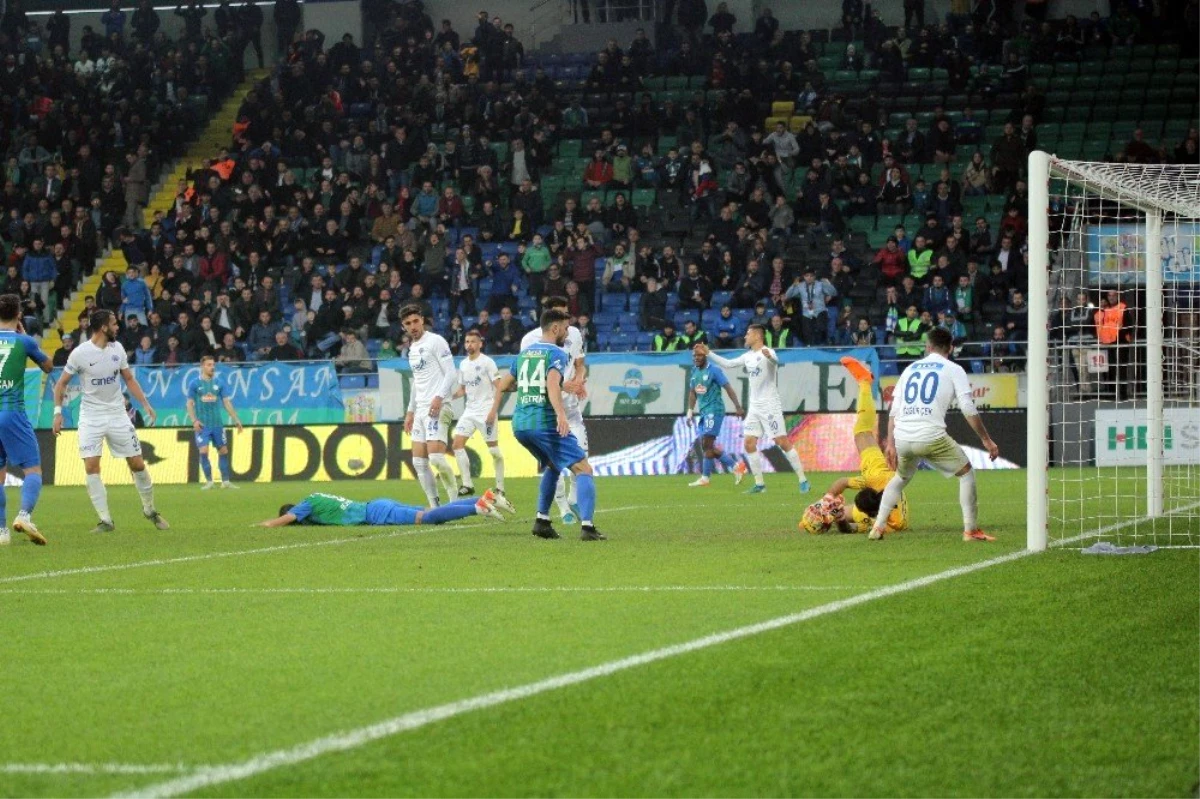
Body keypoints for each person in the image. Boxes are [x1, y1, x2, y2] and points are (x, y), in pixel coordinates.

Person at [867, 328, 999, 542]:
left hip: (903, 436)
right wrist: (986, 439)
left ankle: (878, 527)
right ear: (951, 348)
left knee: (900, 478)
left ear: (927, 347)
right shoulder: (954, 369)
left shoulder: (909, 369)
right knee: (966, 473)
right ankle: (971, 530)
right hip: (930, 434)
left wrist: (890, 444)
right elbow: (967, 407)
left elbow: (894, 410)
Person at [51, 309, 169, 533]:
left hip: (117, 414)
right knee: (91, 467)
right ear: (104, 327)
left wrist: (145, 404)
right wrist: (58, 412)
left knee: (137, 464)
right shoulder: (79, 353)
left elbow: (129, 378)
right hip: (91, 417)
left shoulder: (118, 348)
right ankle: (106, 520)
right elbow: (61, 384)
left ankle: (149, 509)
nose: (117, 327)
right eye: (114, 324)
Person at [494, 308, 604, 541]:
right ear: (555, 328)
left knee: (554, 466)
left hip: (520, 424)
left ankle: (542, 521)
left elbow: (503, 385)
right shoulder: (557, 353)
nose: (567, 333)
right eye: (565, 328)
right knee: (584, 468)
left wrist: (527, 387)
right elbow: (552, 383)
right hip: (542, 422)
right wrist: (561, 415)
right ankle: (587, 527)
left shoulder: (523, 354)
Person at [801, 356, 909, 535]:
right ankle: (865, 382)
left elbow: (850, 525)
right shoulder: (887, 515)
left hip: (882, 479)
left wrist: (837, 515)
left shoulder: (878, 510)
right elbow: (844, 484)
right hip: (880, 474)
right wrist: (827, 500)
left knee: (862, 430)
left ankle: (865, 382)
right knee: (862, 431)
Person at [696, 327, 810, 494]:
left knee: (782, 441)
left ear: (757, 335)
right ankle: (759, 484)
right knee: (749, 443)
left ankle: (803, 480)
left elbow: (775, 361)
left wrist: (771, 358)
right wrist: (709, 353)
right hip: (755, 407)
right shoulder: (748, 356)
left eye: (748, 334)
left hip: (770, 405)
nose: (745, 336)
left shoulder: (767, 351)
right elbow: (728, 364)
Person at [520, 296, 589, 525]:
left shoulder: (574, 334)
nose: (566, 321)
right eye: (561, 314)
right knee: (555, 462)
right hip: (549, 409)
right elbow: (530, 375)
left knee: (581, 454)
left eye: (567, 314)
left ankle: (573, 499)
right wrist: (561, 385)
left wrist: (579, 381)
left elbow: (579, 364)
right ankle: (560, 507)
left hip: (571, 407)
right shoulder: (529, 340)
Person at [0, 294, 53, 545]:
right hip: (11, 411)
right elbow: (49, 366)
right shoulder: (25, 341)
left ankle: (1, 532)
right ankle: (24, 516)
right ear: (19, 314)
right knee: (33, 469)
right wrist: (27, 339)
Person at [401, 305, 459, 507]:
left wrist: (439, 397)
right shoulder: (412, 350)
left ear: (422, 320)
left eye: (415, 321)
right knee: (418, 462)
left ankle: (454, 501)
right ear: (404, 327)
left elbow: (451, 373)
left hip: (438, 406)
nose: (413, 326)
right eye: (408, 323)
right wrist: (410, 411)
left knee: (435, 458)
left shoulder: (436, 341)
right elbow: (416, 381)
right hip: (420, 410)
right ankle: (434, 506)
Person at [253, 490, 511, 527]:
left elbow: (286, 518)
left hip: (376, 513)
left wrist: (264, 524)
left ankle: (478, 508)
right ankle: (485, 496)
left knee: (429, 518)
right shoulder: (316, 496)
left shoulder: (304, 506)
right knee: (434, 511)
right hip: (377, 503)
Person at [450, 331, 506, 498]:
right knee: (456, 444)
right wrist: (447, 397)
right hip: (470, 411)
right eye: (467, 342)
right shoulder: (463, 364)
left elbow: (500, 387)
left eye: (473, 341)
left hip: (486, 411)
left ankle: (500, 487)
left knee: (494, 451)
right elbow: (462, 390)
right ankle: (467, 484)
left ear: (480, 344)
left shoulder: (487, 363)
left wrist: (493, 411)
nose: (469, 345)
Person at [685, 345, 745, 488]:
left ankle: (708, 477)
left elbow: (728, 387)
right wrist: (689, 411)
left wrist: (737, 406)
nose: (696, 358)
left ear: (705, 356)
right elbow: (693, 393)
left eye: (699, 355)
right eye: (694, 356)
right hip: (704, 412)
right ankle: (735, 467)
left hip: (715, 410)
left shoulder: (715, 370)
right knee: (707, 446)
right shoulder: (694, 372)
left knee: (707, 443)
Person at [186, 354, 244, 490]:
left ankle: (225, 482)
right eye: (209, 365)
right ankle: (209, 481)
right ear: (202, 367)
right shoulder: (195, 384)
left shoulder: (219, 383)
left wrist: (236, 420)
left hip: (217, 424)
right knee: (204, 450)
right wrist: (194, 420)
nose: (212, 367)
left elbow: (226, 402)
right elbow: (189, 403)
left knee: (223, 451)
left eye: (213, 365)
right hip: (202, 425)